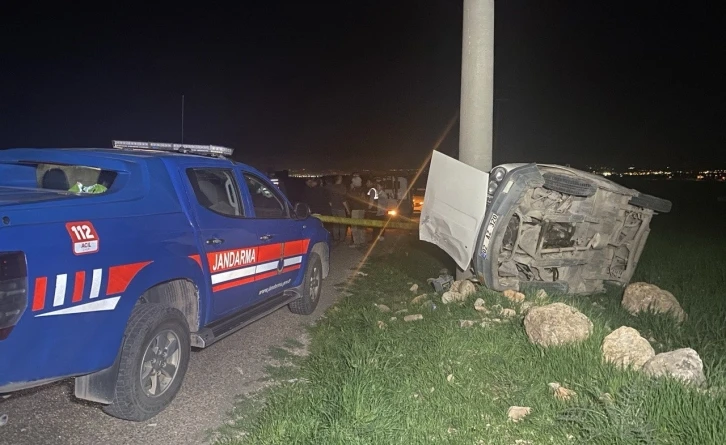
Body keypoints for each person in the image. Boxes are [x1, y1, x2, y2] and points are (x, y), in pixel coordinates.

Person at [327, 175, 349, 243]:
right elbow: (343, 200)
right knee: (342, 224)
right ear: (339, 179)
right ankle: (342, 238)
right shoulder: (342, 187)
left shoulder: (331, 187)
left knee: (335, 224)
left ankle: (336, 237)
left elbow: (329, 200)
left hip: (334, 208)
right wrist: (348, 209)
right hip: (340, 208)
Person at [347, 173, 367, 247]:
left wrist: (351, 189)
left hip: (356, 209)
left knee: (355, 226)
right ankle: (362, 241)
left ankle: (357, 242)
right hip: (361, 209)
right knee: (360, 226)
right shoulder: (362, 189)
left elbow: (351, 197)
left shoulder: (355, 190)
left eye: (353, 181)